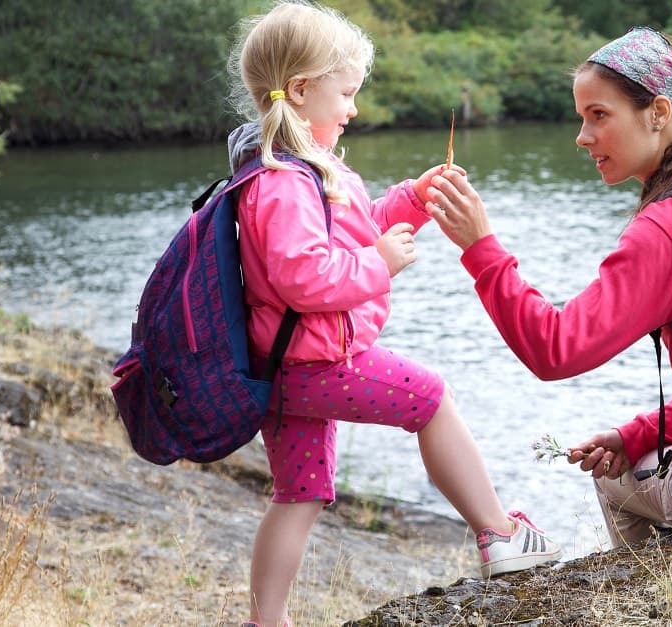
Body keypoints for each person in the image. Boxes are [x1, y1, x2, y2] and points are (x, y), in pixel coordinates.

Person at [426, 26, 672, 549]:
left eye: (599, 115)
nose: (582, 136)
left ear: (658, 113)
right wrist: (637, 433)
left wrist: (481, 248)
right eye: (581, 118)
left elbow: (555, 349)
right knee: (633, 456)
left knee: (613, 480)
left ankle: (650, 596)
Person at [226, 2, 560, 625]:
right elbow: (305, 278)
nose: (353, 108)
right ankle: (497, 532)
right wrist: (379, 265)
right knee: (431, 398)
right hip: (316, 361)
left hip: (285, 367)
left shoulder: (298, 170)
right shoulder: (284, 182)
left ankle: (265, 621)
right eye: (345, 94)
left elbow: (349, 235)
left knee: (299, 495)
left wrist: (414, 199)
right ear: (300, 91)